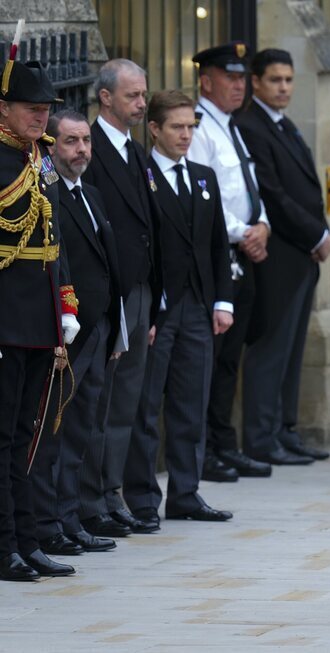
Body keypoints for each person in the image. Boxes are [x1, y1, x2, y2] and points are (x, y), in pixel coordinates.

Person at [186, 43, 298, 474]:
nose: (238, 85)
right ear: (206, 81)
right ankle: (209, 448)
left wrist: (262, 226)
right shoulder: (199, 128)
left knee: (231, 357)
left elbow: (249, 189)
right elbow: (205, 198)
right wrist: (243, 233)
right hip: (221, 253)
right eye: (229, 78)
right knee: (213, 358)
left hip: (245, 250)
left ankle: (223, 442)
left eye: (240, 78)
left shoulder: (230, 126)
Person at [124, 90, 235, 522]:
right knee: (147, 406)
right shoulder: (142, 173)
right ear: (154, 129)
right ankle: (143, 498)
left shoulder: (204, 177)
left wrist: (222, 301)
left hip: (198, 307)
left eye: (192, 127)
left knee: (192, 403)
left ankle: (186, 493)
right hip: (160, 308)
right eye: (177, 127)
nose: (187, 135)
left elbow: (216, 245)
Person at [33, 110, 124, 557]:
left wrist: (118, 326)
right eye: (70, 141)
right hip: (67, 336)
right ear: (52, 146)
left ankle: (71, 518)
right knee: (56, 432)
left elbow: (108, 265)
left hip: (99, 331)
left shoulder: (91, 193)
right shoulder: (48, 197)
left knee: (83, 429)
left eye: (86, 140)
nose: (82, 150)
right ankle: (51, 523)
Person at [235, 48, 330, 464]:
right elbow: (272, 194)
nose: (284, 88)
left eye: (289, 80)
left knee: (292, 349)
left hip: (301, 258)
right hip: (279, 255)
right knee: (271, 348)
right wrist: (316, 234)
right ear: (255, 81)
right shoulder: (250, 125)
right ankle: (261, 437)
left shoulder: (284, 124)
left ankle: (285, 429)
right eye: (275, 80)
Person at [0, 54, 76, 580]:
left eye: (45, 110)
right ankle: (5, 543)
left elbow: (53, 239)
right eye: (30, 109)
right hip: (5, 318)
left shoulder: (41, 159)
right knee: (2, 437)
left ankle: (28, 539)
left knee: (29, 437)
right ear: (3, 109)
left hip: (40, 319)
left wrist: (65, 305)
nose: (41, 119)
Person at [82, 58, 161, 536]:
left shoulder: (136, 151)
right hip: (108, 294)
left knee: (127, 400)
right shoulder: (88, 149)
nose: (141, 103)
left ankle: (113, 493)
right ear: (106, 97)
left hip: (141, 291)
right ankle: (92, 499)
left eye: (143, 94)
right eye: (132, 95)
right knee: (99, 400)